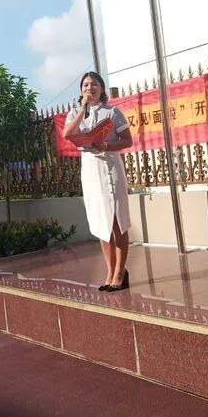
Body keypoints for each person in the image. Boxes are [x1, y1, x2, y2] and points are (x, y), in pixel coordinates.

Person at [63, 72, 133, 292]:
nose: (89, 88)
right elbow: (67, 134)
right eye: (85, 85)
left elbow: (127, 140)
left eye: (94, 84)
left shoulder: (112, 112)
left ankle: (120, 272)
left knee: (116, 220)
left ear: (102, 88)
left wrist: (106, 146)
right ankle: (110, 271)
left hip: (110, 166)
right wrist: (82, 109)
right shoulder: (75, 112)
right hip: (90, 168)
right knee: (101, 222)